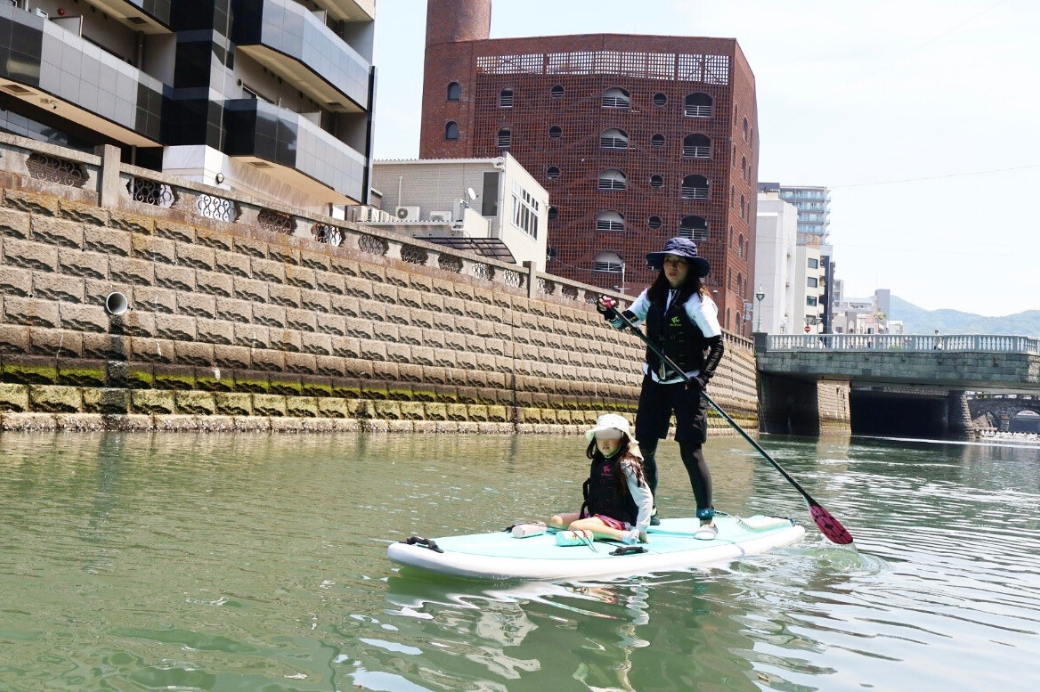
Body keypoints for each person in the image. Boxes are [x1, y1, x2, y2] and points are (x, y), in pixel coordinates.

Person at [597, 237, 725, 540]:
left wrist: (702, 378)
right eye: (669, 261)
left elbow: (717, 345)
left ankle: (707, 520)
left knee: (690, 451)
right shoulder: (651, 295)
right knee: (645, 448)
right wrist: (609, 313)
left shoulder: (699, 302)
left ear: (689, 268)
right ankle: (649, 511)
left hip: (687, 385)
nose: (672, 266)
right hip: (654, 381)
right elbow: (625, 322)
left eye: (679, 262)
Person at [550, 413, 653, 544]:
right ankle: (596, 528)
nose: (605, 441)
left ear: (622, 438)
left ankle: (624, 535)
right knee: (556, 520)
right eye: (601, 435)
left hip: (621, 520)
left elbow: (645, 498)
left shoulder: (627, 464)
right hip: (598, 516)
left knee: (575, 527)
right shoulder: (600, 462)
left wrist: (641, 528)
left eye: (611, 435)